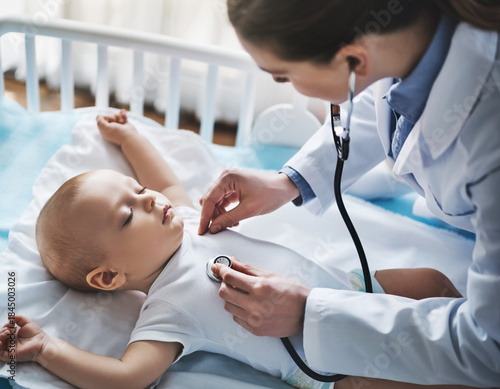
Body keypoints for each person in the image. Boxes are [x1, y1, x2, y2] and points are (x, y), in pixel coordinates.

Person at [0, 111, 467, 389]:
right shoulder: (167, 312)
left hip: (348, 289)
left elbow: (164, 181)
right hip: (335, 366)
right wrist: (48, 349)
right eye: (128, 214)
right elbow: (128, 377)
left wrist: (130, 138)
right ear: (107, 277)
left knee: (433, 284)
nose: (148, 199)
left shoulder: (187, 222)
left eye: (136, 189)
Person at [198, 0, 500, 387]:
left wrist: (309, 313)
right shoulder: (410, 40)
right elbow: (384, 103)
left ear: (354, 61)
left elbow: (489, 344)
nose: (282, 83)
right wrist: (286, 183)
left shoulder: (489, 135)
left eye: (282, 75)